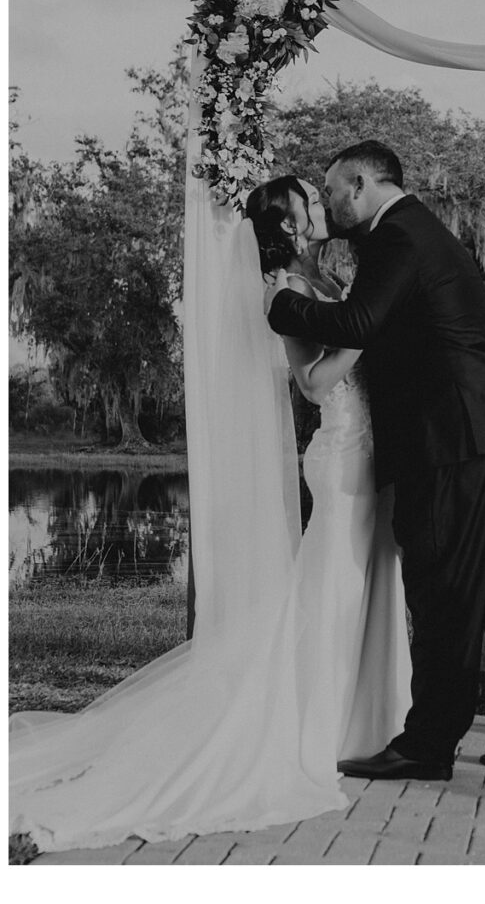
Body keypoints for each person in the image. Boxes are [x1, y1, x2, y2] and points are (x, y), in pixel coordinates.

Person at [9, 175, 410, 853]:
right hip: (342, 450)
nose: (320, 206)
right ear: (285, 223)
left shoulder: (317, 277)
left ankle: (365, 723)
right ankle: (315, 726)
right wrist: (367, 338)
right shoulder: (280, 289)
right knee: (332, 588)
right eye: (309, 200)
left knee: (364, 586)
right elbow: (311, 383)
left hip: (370, 452)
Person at [267, 140, 485, 780]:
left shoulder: (399, 239)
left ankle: (427, 743)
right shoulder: (422, 232)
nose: (328, 205)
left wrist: (284, 308)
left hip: (449, 439)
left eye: (331, 191)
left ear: (359, 184)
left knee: (441, 589)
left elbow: (359, 323)